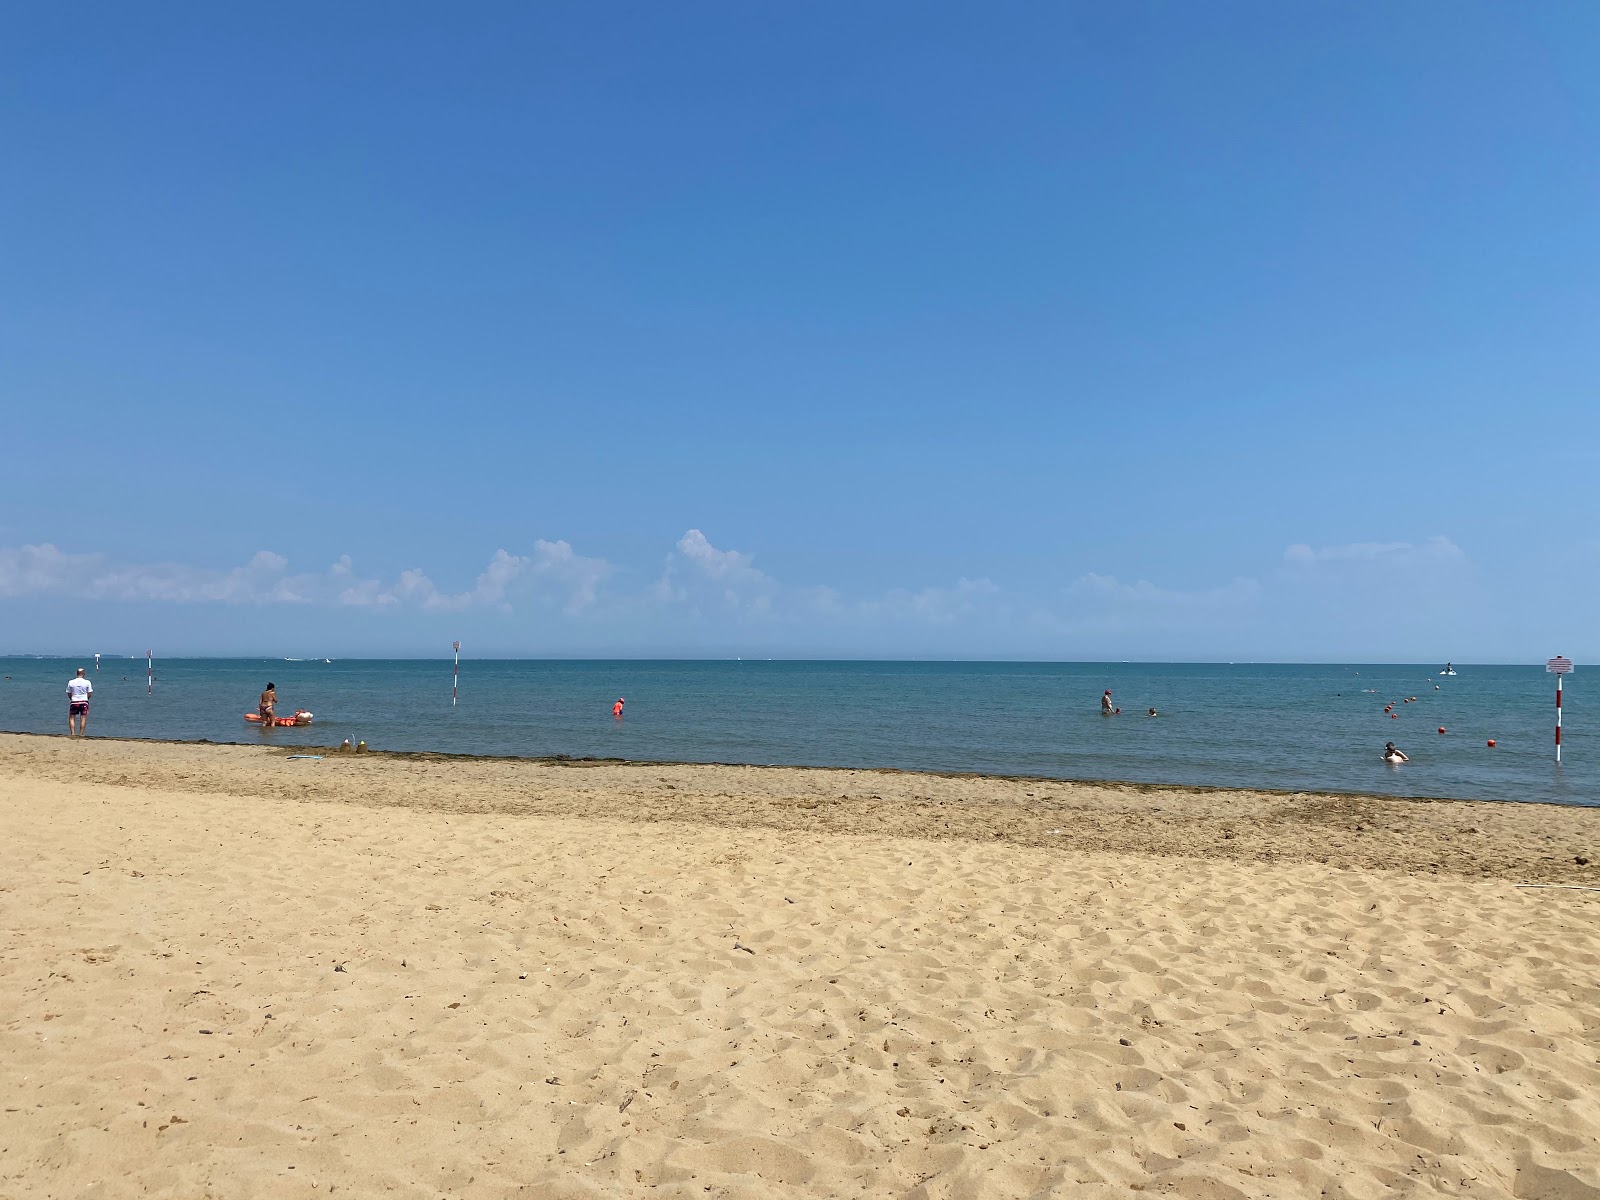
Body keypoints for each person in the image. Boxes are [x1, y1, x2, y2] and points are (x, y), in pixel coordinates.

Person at [67, 668, 93, 737]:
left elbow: (69, 693)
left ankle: (72, 733)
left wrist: (72, 698)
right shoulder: (87, 682)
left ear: (76, 673)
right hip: (84, 701)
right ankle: (81, 734)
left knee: (72, 718)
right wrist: (86, 698)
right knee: (83, 718)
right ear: (83, 674)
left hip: (74, 701)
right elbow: (90, 693)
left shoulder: (71, 682)